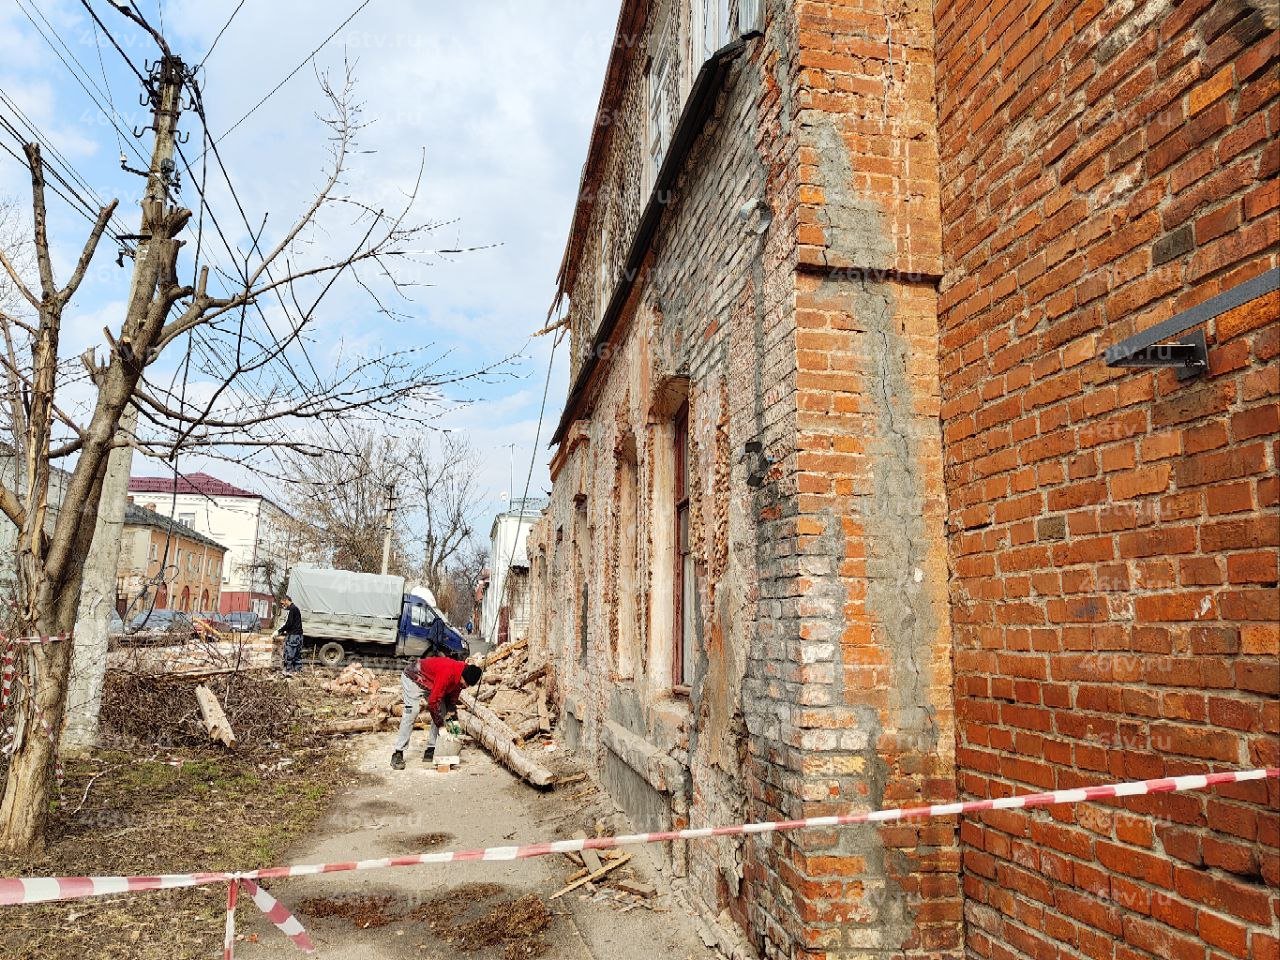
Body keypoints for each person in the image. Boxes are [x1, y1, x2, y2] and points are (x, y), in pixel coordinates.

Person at [391, 655, 483, 770]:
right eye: (465, 684)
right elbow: (432, 703)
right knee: (412, 711)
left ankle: (431, 748)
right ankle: (398, 752)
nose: (465, 686)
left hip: (431, 681)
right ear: (462, 676)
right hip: (413, 678)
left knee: (442, 711)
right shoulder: (447, 673)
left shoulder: (460, 680)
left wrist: (454, 731)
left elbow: (451, 705)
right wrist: (441, 727)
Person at [275, 596, 304, 674]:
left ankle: (288, 671)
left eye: (282, 603)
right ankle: (298, 671)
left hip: (293, 636)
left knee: (290, 654)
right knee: (297, 655)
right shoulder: (295, 609)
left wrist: (279, 631)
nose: (282, 605)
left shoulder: (292, 609)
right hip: (298, 635)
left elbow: (289, 624)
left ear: (286, 600)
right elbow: (293, 623)